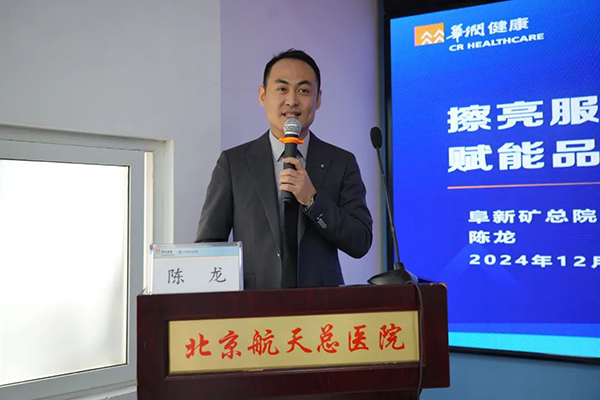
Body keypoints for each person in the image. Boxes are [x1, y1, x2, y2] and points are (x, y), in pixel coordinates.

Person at [195, 49, 372, 289]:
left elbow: (360, 241)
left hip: (322, 303)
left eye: (303, 91)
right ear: (262, 95)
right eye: (282, 89)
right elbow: (209, 245)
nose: (292, 101)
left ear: (318, 99)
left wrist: (312, 200)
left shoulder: (341, 162)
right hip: (253, 302)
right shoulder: (233, 163)